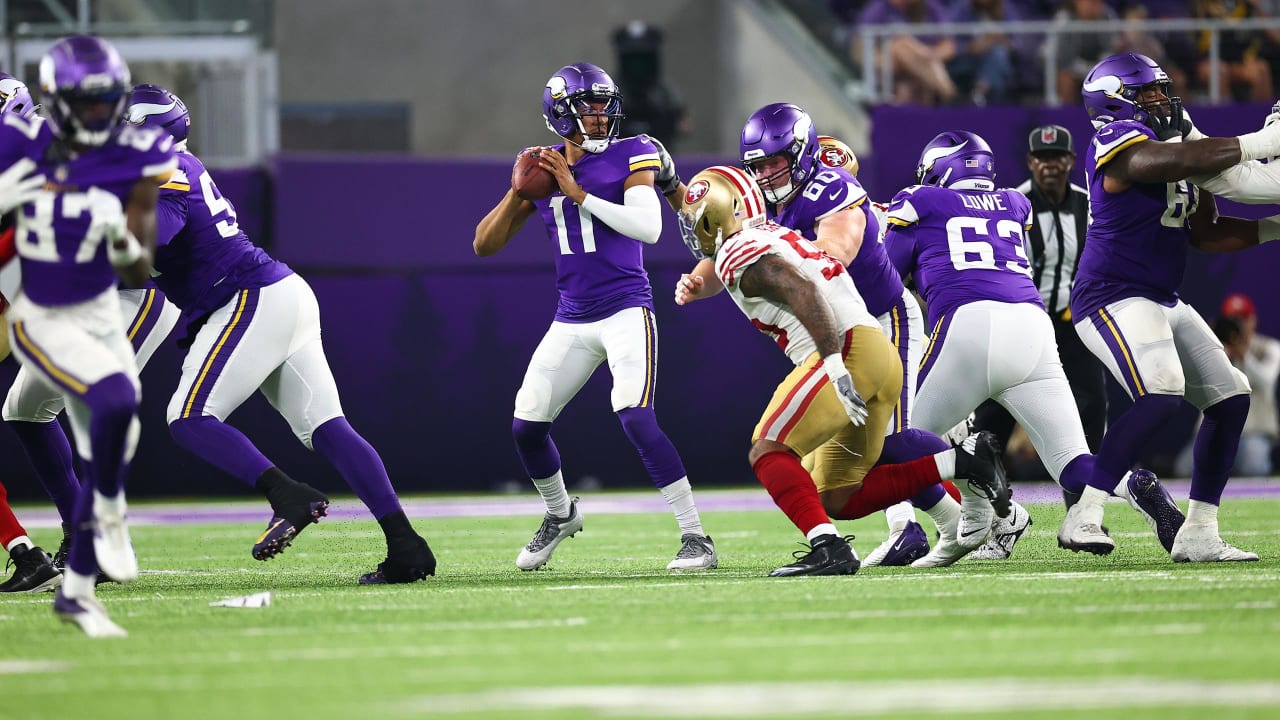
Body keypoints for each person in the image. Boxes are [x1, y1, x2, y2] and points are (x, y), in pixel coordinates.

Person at [126, 84, 435, 584]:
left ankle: (287, 495)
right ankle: (407, 545)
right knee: (329, 428)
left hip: (245, 298)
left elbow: (149, 239)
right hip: (275, 293)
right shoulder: (170, 166)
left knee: (187, 417)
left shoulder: (164, 170)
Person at [673, 165, 1011, 576]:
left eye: (699, 220)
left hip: (848, 349)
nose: (693, 229)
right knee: (839, 495)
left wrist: (834, 363)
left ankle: (827, 546)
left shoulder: (737, 250)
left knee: (769, 449)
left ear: (721, 216)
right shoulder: (771, 234)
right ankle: (965, 462)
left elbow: (804, 291)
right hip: (876, 350)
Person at [884, 129, 1187, 562]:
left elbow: (886, 278)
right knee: (1071, 460)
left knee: (893, 445)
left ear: (939, 168)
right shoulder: (1013, 203)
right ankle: (1133, 485)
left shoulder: (920, 201)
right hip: (1033, 326)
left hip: (967, 326)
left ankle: (974, 516)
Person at [473, 63, 716, 572]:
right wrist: (519, 191)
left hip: (627, 307)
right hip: (572, 317)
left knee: (635, 417)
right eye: (588, 106)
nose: (601, 116)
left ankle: (697, 537)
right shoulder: (539, 170)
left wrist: (579, 193)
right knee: (526, 427)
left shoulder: (634, 152)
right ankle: (560, 514)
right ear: (559, 114)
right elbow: (484, 244)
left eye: (605, 105)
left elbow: (650, 228)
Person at [739, 103, 972, 568]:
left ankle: (955, 508)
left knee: (888, 443)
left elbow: (832, 257)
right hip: (837, 332)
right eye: (759, 166)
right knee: (844, 464)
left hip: (883, 318)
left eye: (775, 163)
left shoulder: (837, 193)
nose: (766, 176)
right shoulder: (764, 201)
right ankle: (958, 518)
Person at [1071, 52, 1280, 562]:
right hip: (1110, 294)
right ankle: (1085, 512)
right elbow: (1158, 164)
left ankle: (1199, 531)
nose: (1162, 100)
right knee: (1161, 391)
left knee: (1231, 397)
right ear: (1116, 101)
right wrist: (1261, 141)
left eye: (1163, 90)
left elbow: (1209, 230)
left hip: (1161, 296)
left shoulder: (1180, 147)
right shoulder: (1115, 141)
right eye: (1148, 93)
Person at [0, 35, 176, 637]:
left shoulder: (138, 155)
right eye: (87, 100)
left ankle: (81, 569)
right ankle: (100, 523)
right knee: (102, 403)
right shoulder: (22, 152)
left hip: (105, 304)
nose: (99, 113)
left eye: (106, 100)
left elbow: (136, 266)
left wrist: (121, 234)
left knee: (108, 420)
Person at [970, 124, 1108, 559]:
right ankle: (997, 516)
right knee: (993, 418)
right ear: (1031, 162)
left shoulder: (1088, 205)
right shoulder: (1011, 203)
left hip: (1071, 324)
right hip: (1023, 320)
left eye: (1058, 158)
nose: (1050, 166)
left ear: (1070, 161)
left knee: (1091, 410)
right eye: (1042, 158)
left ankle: (1082, 513)